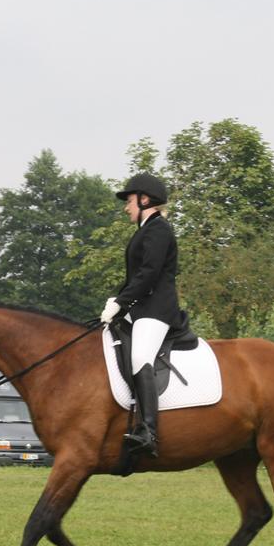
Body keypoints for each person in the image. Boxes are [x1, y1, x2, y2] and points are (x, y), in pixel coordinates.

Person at [101, 173, 183, 458]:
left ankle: (149, 431)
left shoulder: (158, 229)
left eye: (129, 201)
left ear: (144, 199)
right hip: (140, 308)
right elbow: (136, 276)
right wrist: (116, 302)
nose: (126, 207)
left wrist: (122, 301)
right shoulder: (145, 230)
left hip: (157, 310)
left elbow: (149, 274)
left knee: (140, 357)